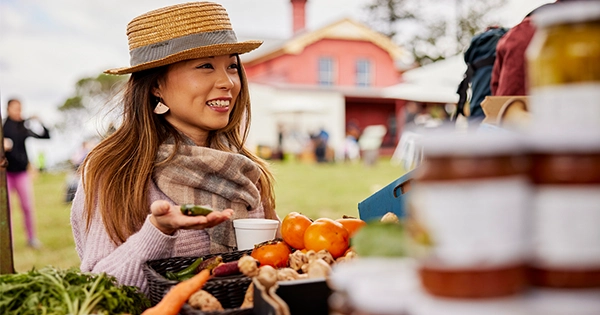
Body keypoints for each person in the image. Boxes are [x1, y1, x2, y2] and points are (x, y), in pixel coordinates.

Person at [69, 2, 278, 295]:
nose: (227, 82)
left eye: (232, 65)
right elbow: (100, 291)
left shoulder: (245, 168)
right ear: (156, 85)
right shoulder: (112, 170)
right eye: (205, 66)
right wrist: (158, 231)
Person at [2, 98, 51, 248]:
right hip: (6, 174)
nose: (19, 112)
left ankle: (31, 239)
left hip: (22, 173)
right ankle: (6, 242)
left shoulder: (23, 126)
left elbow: (45, 136)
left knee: (27, 207)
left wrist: (40, 122)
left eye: (20, 108)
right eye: (16, 108)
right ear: (8, 109)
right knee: (5, 209)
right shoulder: (3, 126)